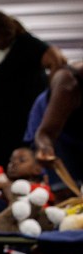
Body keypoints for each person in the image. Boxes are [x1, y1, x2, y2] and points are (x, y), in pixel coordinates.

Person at [0, 10, 66, 165]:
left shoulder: (26, 44)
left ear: (6, 32)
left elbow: (58, 60)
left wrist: (51, 96)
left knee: (23, 162)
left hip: (22, 119)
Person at [33, 63, 83, 197]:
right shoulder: (68, 84)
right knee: (67, 191)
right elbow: (45, 133)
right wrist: (45, 149)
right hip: (55, 131)